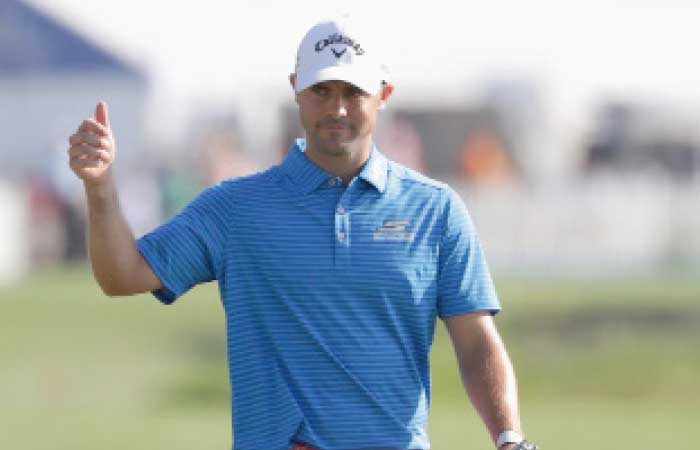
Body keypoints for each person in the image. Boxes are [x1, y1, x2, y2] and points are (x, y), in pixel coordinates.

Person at [67, 15, 538, 450]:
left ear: (384, 93)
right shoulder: (235, 208)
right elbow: (122, 275)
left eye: (352, 92)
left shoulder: (436, 209)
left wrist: (508, 438)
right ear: (295, 89)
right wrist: (101, 188)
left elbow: (477, 342)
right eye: (321, 90)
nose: (335, 108)